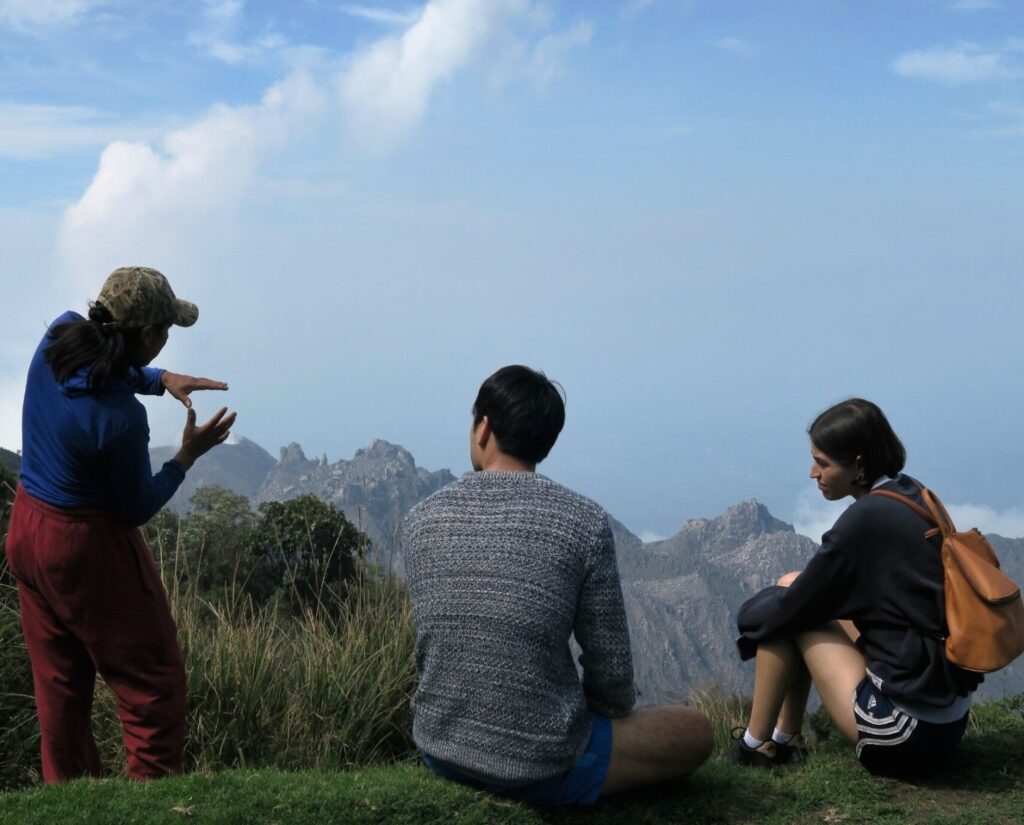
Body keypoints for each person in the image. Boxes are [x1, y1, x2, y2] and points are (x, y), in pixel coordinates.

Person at [403, 365, 712, 806]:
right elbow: (613, 680)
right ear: (546, 440)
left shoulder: (421, 520)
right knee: (695, 730)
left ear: (483, 427)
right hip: (543, 765)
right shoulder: (581, 522)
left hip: (441, 749)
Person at [4, 266, 236, 783]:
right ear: (148, 335)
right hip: (84, 549)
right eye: (166, 332)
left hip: (26, 528)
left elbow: (104, 365)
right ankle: (150, 797)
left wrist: (158, 379)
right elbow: (136, 507)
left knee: (59, 686)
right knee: (153, 681)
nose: (167, 340)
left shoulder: (58, 337)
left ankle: (68, 799)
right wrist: (185, 458)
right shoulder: (120, 420)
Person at [725, 398, 981, 777]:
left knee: (794, 614)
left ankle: (755, 745)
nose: (813, 472)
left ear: (858, 465)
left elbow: (790, 610)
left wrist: (749, 614)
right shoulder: (911, 493)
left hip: (903, 735)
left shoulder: (863, 521)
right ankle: (783, 739)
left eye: (824, 463)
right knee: (794, 589)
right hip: (946, 718)